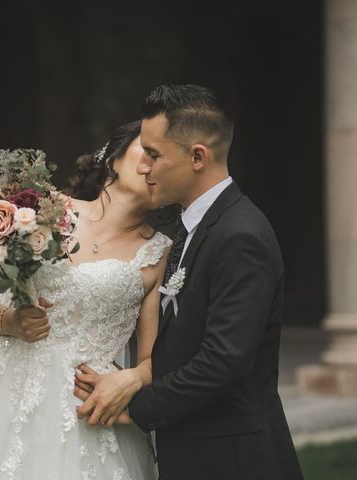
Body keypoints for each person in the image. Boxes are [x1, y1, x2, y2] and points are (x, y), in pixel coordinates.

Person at [0, 120, 172, 480]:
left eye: (162, 157)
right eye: (146, 151)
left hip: (81, 412)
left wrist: (131, 379)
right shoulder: (41, 210)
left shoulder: (159, 252)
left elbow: (153, 358)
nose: (152, 164)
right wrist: (10, 321)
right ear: (113, 158)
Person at [74, 84, 304, 479]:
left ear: (198, 156)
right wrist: (128, 377)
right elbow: (182, 340)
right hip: (196, 450)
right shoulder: (191, 227)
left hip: (233, 459)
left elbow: (222, 361)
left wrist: (134, 406)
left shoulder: (240, 236)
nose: (143, 166)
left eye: (154, 154)